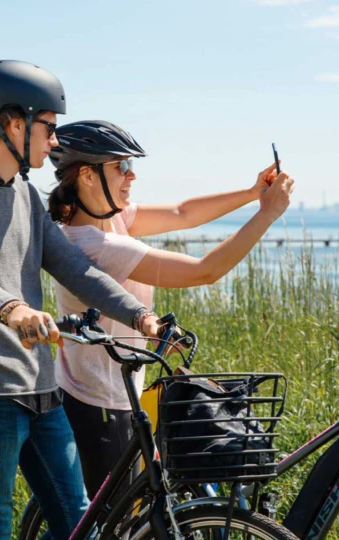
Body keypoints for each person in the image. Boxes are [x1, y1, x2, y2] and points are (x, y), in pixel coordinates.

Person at [0, 62, 161, 540]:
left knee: (79, 532)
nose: (54, 142)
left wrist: (139, 315)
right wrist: (12, 307)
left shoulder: (25, 196)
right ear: (12, 122)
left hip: (43, 391)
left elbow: (74, 267)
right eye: (48, 127)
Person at [46, 120, 295, 499]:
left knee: (109, 526)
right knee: (110, 537)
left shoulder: (111, 220)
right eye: (121, 167)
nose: (132, 175)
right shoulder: (99, 247)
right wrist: (266, 214)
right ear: (87, 175)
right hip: (99, 406)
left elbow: (181, 212)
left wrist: (250, 193)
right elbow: (205, 271)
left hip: (113, 394)